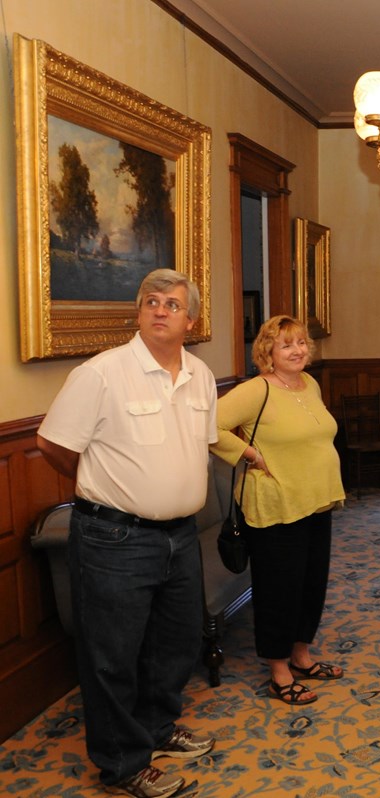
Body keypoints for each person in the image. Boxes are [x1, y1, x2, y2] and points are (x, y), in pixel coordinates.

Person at [37, 269, 217, 798]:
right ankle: (122, 762)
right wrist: (110, 490)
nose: (161, 310)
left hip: (179, 536)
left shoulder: (201, 376)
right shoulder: (103, 373)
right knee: (112, 655)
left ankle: (158, 729)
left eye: (173, 304)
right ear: (138, 313)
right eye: (151, 302)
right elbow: (53, 446)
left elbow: (199, 446)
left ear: (192, 319)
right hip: (113, 540)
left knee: (175, 644)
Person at [211, 315, 346, 706]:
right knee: (279, 589)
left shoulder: (311, 384)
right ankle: (279, 671)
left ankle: (302, 655)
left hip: (316, 500)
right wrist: (248, 454)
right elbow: (209, 426)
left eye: (302, 342)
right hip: (275, 505)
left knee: (311, 583)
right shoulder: (257, 390)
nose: (298, 350)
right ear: (267, 351)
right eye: (286, 344)